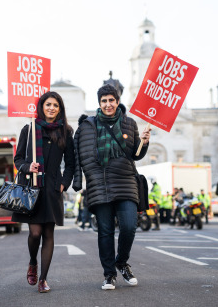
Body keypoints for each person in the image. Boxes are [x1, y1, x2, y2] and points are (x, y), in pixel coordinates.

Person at [73, 84, 150, 290]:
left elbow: (135, 155)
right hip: (99, 185)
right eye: (104, 101)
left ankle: (122, 262)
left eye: (111, 100)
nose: (108, 104)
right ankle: (109, 275)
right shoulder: (86, 126)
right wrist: (78, 182)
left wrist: (144, 142)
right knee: (105, 231)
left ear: (117, 101)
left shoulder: (129, 123)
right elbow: (77, 156)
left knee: (128, 226)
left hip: (125, 182)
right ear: (99, 103)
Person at [12, 91, 75, 293]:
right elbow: (18, 159)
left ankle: (43, 280)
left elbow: (71, 164)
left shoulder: (66, 132)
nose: (51, 108)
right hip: (32, 187)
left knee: (48, 233)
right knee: (35, 232)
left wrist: (64, 183)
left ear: (60, 109)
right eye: (48, 104)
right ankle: (33, 262)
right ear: (41, 106)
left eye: (55, 105)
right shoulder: (29, 129)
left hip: (53, 189)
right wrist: (27, 167)